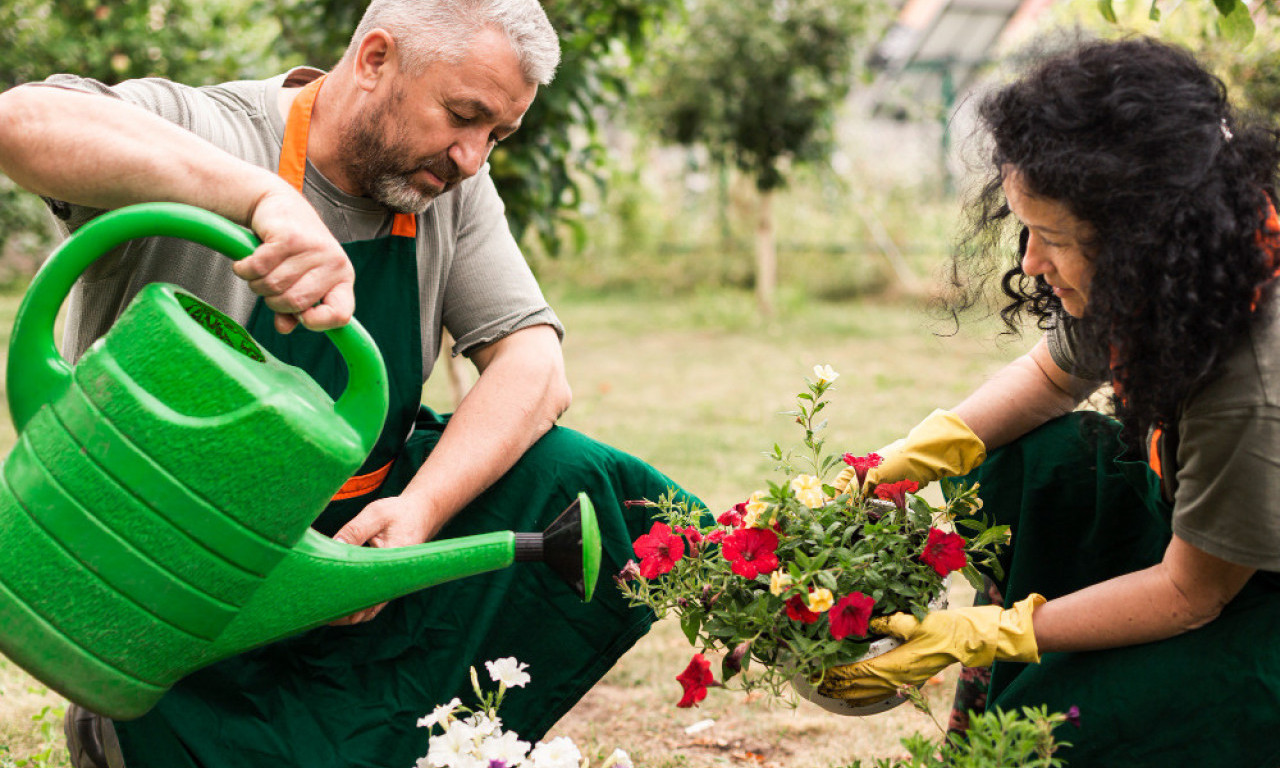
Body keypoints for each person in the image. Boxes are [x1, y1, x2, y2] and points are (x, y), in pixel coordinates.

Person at [0, 2, 695, 767]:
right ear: (373, 60)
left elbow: (534, 367)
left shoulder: (450, 187)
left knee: (582, 484)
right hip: (182, 566)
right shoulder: (216, 130)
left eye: (496, 135)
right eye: (463, 116)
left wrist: (419, 513)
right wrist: (261, 199)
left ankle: (426, 744)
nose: (472, 156)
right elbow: (23, 123)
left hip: (353, 553)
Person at [820, 38, 1280, 767]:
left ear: (1138, 238)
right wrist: (902, 463)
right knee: (1035, 464)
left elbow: (1191, 595)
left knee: (1066, 727)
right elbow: (1052, 378)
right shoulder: (1174, 269)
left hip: (1247, 597)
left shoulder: (1254, 378)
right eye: (1026, 229)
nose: (1030, 262)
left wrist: (993, 631)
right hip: (1204, 545)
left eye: (1053, 238)